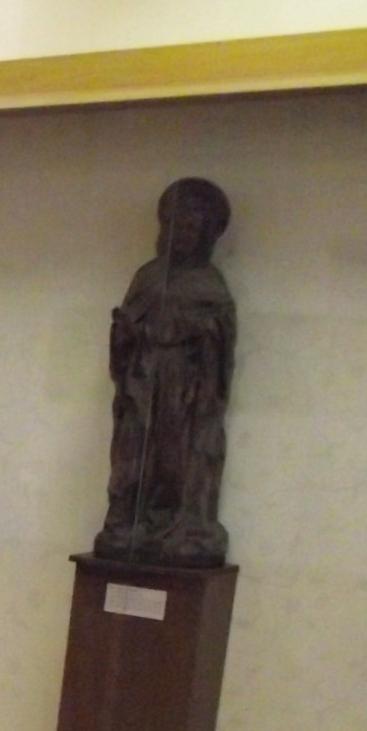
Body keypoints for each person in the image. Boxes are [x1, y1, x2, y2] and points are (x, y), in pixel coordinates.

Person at [97, 177, 236, 567]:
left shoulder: (210, 284)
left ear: (208, 234)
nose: (180, 235)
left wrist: (197, 335)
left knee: (178, 459)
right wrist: (125, 335)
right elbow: (127, 332)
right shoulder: (148, 277)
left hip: (184, 391)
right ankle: (128, 524)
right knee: (132, 456)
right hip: (141, 384)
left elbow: (219, 346)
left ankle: (183, 527)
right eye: (174, 224)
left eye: (191, 227)